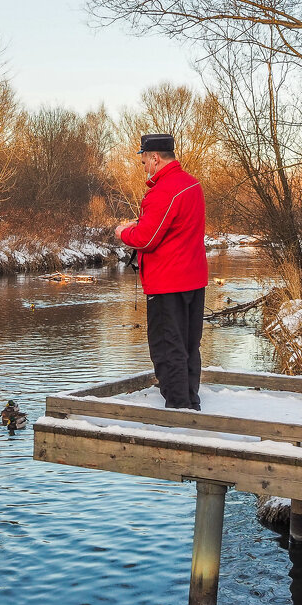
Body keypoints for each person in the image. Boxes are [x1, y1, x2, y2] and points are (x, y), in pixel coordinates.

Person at [115, 133, 208, 410]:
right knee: (189, 344)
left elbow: (146, 238)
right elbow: (174, 229)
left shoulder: (164, 190)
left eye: (144, 160)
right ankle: (190, 399)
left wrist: (123, 232)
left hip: (168, 282)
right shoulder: (192, 184)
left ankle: (179, 409)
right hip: (193, 279)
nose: (143, 166)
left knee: (168, 346)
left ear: (155, 158)